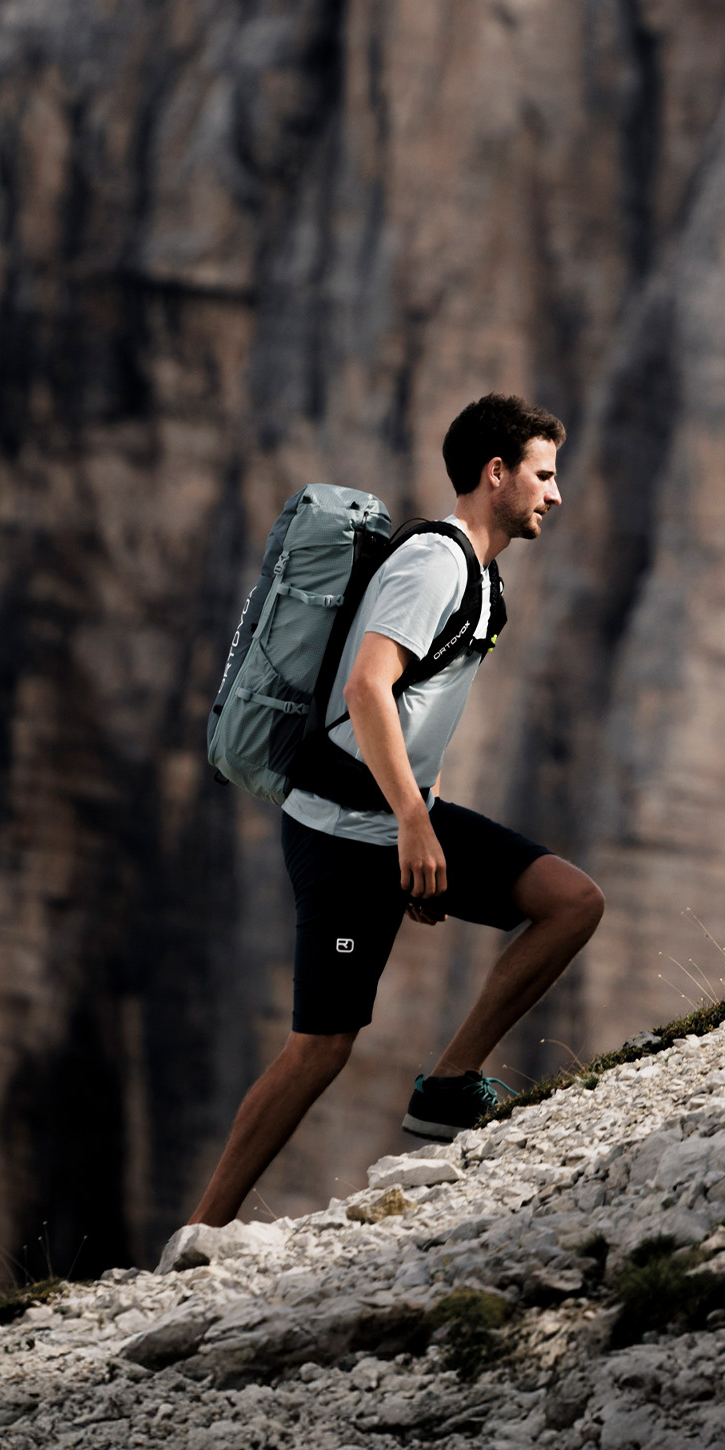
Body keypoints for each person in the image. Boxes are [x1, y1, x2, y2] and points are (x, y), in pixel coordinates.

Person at [187, 394, 605, 1227]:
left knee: (570, 901)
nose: (555, 495)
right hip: (344, 832)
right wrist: (414, 825)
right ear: (497, 474)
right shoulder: (436, 565)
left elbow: (422, 708)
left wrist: (426, 819)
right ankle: (200, 1232)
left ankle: (449, 1085)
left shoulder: (478, 576)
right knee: (321, 1047)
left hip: (404, 816)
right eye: (544, 475)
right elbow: (367, 686)